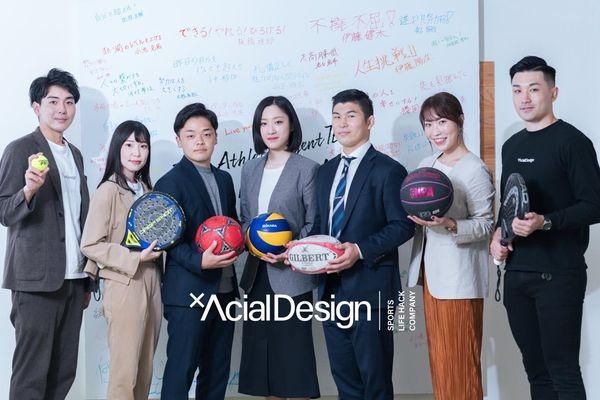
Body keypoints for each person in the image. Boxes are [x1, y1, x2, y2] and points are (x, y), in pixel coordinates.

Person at [490, 56, 600, 400]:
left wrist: (545, 222)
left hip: (559, 275)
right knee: (535, 371)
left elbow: (594, 205)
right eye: (517, 90)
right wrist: (498, 235)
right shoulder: (511, 145)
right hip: (517, 275)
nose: (524, 98)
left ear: (553, 92)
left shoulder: (573, 142)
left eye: (533, 89)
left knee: (563, 370)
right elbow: (509, 205)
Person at [306, 89, 414, 400]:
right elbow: (321, 226)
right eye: (337, 117)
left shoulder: (388, 170)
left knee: (375, 381)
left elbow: (403, 225)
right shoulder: (326, 171)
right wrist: (302, 249)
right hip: (330, 290)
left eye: (350, 115)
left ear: (370, 121)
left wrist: (359, 250)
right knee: (346, 382)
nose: (342, 123)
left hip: (372, 290)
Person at [0, 68, 91, 400]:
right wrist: (28, 190)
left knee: (63, 372)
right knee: (31, 375)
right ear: (37, 107)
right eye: (53, 101)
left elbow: (80, 217)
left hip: (74, 279)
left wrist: (88, 278)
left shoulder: (75, 154)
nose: (61, 109)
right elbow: (4, 211)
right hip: (36, 283)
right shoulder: (20, 149)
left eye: (68, 102)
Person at [407, 92, 495, 400]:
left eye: (442, 122)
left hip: (460, 279)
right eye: (428, 124)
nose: (435, 131)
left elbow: (486, 225)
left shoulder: (474, 169)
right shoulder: (426, 164)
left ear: (460, 121)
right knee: (442, 363)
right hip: (431, 277)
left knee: (461, 365)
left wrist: (452, 224)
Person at [238, 96, 320, 399]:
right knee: (263, 363)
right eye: (264, 123)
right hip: (256, 274)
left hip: (291, 275)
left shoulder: (307, 169)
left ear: (291, 126)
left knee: (292, 360)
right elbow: (245, 218)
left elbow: (314, 222)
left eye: (278, 122)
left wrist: (291, 250)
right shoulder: (249, 169)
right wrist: (251, 239)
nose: (270, 129)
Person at [156, 103, 239, 400]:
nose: (199, 141)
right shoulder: (170, 182)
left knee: (216, 373)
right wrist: (199, 261)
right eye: (190, 135)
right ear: (179, 140)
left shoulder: (225, 179)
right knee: (181, 371)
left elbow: (230, 226)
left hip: (225, 291)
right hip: (188, 294)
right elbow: (165, 239)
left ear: (216, 137)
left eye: (206, 133)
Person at [80, 120, 163, 399]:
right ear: (117, 148)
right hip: (124, 282)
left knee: (145, 369)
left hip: (152, 280)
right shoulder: (108, 190)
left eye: (143, 145)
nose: (136, 152)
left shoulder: (146, 188)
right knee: (124, 373)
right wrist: (135, 257)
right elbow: (90, 244)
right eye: (129, 145)